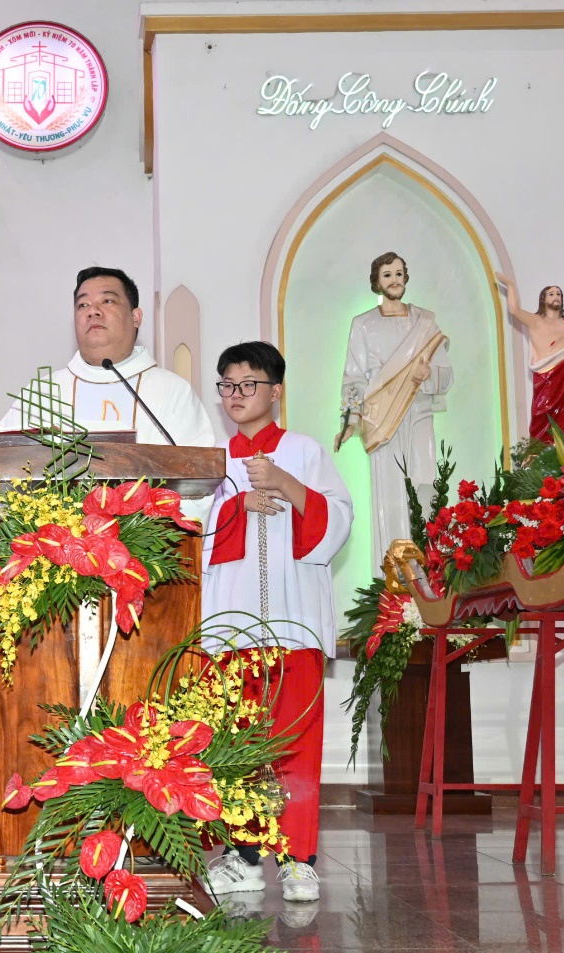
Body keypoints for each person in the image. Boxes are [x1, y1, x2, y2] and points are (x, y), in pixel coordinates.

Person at [202, 342, 353, 904]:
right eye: (227, 385)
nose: (236, 395)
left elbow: (339, 522)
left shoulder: (305, 451)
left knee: (294, 743)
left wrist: (286, 485)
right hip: (228, 623)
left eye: (248, 384)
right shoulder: (211, 460)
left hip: (293, 622)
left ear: (276, 390)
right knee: (235, 742)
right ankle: (242, 858)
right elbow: (190, 533)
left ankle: (297, 861)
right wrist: (236, 507)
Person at [0, 266, 214, 448]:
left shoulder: (172, 392)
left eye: (107, 301)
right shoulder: (42, 394)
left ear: (136, 317)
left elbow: (199, 474)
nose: (93, 311)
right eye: (83, 305)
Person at [336, 252, 451, 568]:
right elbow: (354, 378)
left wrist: (429, 375)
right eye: (387, 275)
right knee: (389, 493)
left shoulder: (425, 323)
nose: (394, 280)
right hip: (381, 419)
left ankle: (429, 569)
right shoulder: (363, 324)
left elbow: (446, 374)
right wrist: (349, 421)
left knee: (424, 485)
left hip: (419, 413)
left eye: (399, 273)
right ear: (377, 281)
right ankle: (391, 574)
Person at [494, 275, 564, 442]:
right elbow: (514, 310)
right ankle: (545, 448)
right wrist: (510, 285)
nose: (556, 296)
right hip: (548, 381)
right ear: (543, 299)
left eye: (559, 294)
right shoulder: (536, 321)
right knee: (545, 420)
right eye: (551, 294)